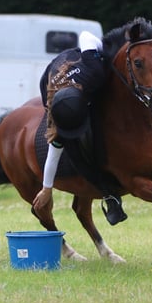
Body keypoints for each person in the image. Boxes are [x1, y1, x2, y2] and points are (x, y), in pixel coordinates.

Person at [32, 30, 127, 224]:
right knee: (72, 149)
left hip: (78, 68)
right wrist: (47, 188)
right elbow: (53, 155)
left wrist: (101, 48)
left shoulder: (95, 72)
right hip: (52, 83)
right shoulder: (54, 112)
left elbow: (84, 35)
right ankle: (108, 193)